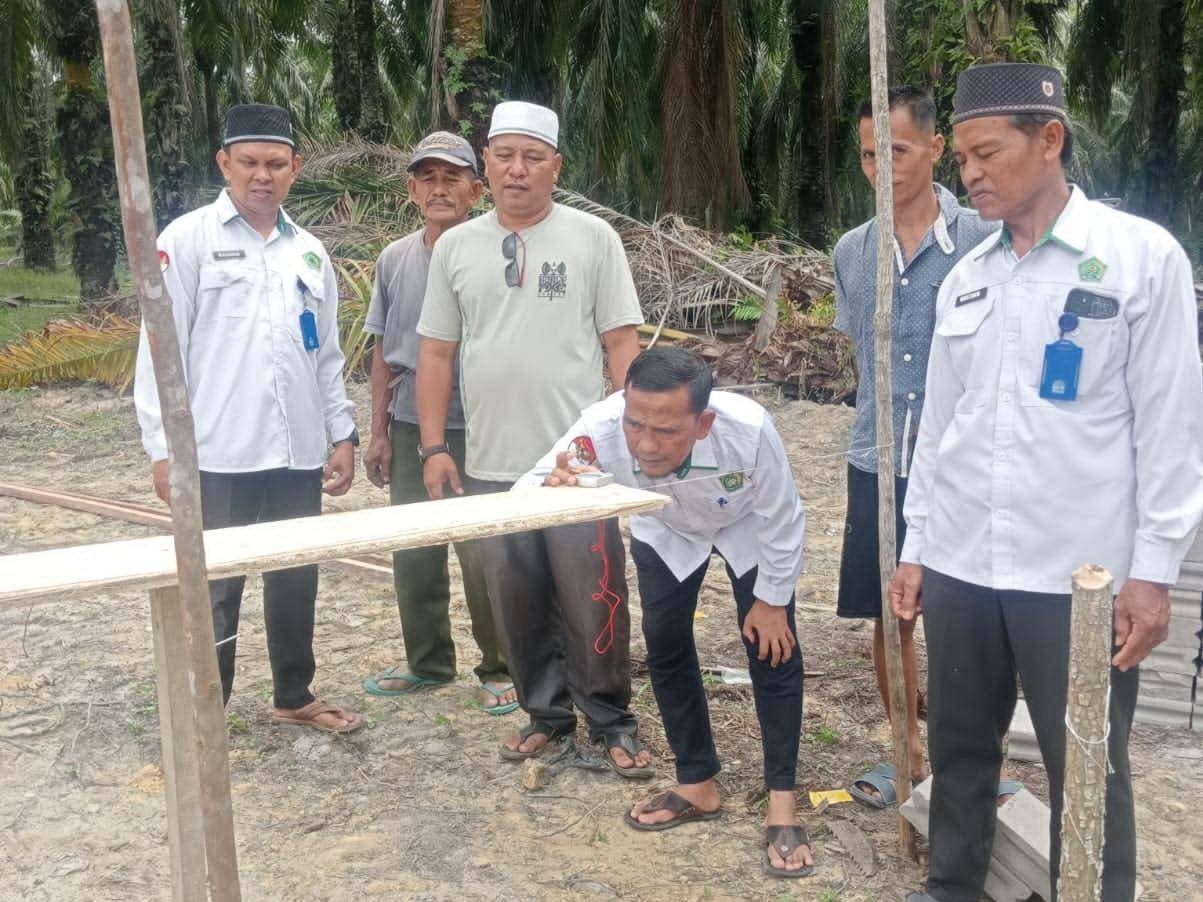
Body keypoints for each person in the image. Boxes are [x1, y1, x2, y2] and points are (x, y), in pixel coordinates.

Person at [891, 63, 1203, 901]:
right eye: (961, 159)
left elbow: (1171, 426)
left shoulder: (1138, 259)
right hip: (960, 562)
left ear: (1050, 139)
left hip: (1078, 576)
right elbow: (938, 431)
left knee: (1087, 766)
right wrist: (916, 547)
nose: (971, 175)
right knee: (958, 751)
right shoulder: (970, 277)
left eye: (988, 153)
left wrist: (1153, 571)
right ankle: (949, 887)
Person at [415, 101, 650, 776]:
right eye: (504, 156)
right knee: (513, 600)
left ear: (556, 166)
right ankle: (545, 714)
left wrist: (628, 437)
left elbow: (620, 345)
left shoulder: (591, 239)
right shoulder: (457, 246)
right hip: (492, 462)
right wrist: (434, 447)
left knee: (593, 595)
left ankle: (608, 719)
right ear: (484, 164)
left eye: (533, 157)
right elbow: (435, 354)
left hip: (577, 462)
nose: (517, 170)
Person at [518, 347, 811, 877]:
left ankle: (783, 799)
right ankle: (697, 782)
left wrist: (771, 600)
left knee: (773, 649)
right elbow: (532, 485)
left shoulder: (749, 430)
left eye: (667, 431)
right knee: (666, 645)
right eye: (636, 425)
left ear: (703, 422)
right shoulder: (602, 426)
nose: (646, 445)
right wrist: (553, 486)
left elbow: (783, 516)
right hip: (666, 528)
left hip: (746, 527)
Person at [134, 103, 362, 734]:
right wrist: (161, 448)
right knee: (215, 585)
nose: (263, 176)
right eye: (251, 163)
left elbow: (327, 354)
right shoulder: (186, 242)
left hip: (295, 451)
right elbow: (160, 351)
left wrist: (339, 432)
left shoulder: (310, 254)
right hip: (218, 454)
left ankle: (294, 693)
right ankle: (209, 708)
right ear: (225, 164)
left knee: (296, 573)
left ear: (296, 169)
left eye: (277, 164)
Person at [832, 86, 995, 805]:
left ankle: (969, 758)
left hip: (963, 464)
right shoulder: (852, 251)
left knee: (963, 612)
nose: (882, 168)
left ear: (934, 148)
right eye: (869, 154)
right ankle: (905, 753)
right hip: (877, 459)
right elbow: (862, 361)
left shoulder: (984, 243)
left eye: (895, 151)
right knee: (888, 613)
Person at [359, 131, 517, 716]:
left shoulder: (500, 253)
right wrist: (377, 431)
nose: (439, 188)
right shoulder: (396, 258)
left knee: (485, 549)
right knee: (414, 546)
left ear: (477, 190)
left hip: (479, 424)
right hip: (407, 424)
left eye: (453, 178)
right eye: (427, 177)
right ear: (411, 190)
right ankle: (428, 660)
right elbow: (382, 351)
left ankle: (500, 664)